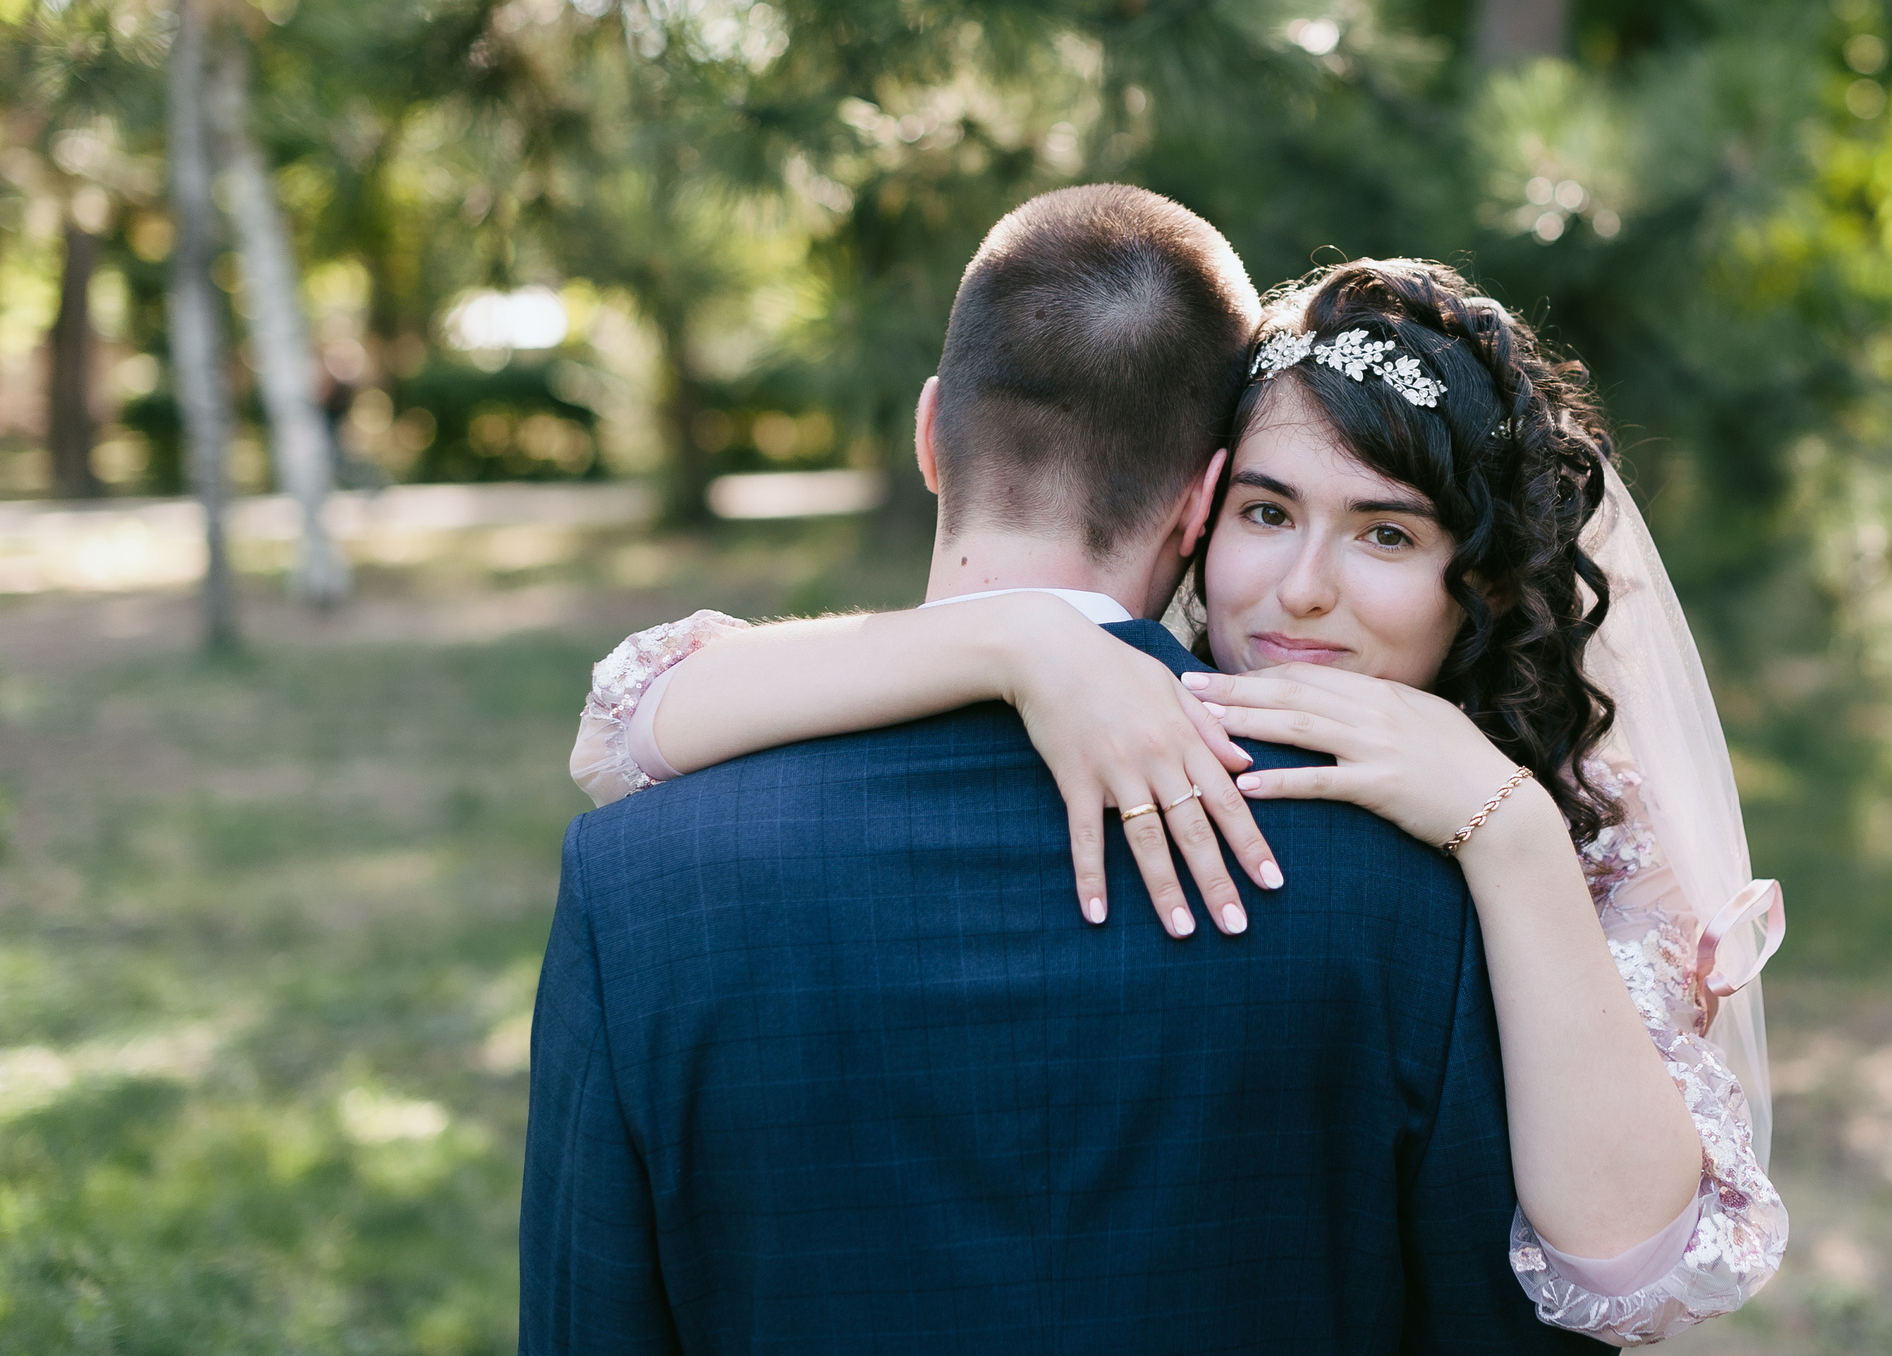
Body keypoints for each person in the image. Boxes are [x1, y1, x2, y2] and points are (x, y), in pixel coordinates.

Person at [565, 231, 1789, 1344]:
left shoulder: (1512, 849)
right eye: (1269, 512)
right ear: (1202, 508)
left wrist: (1509, 827)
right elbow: (632, 718)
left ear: (1483, 579)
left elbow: (1629, 1285)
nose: (1304, 589)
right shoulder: (1248, 790)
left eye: (1388, 533)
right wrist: (1018, 643)